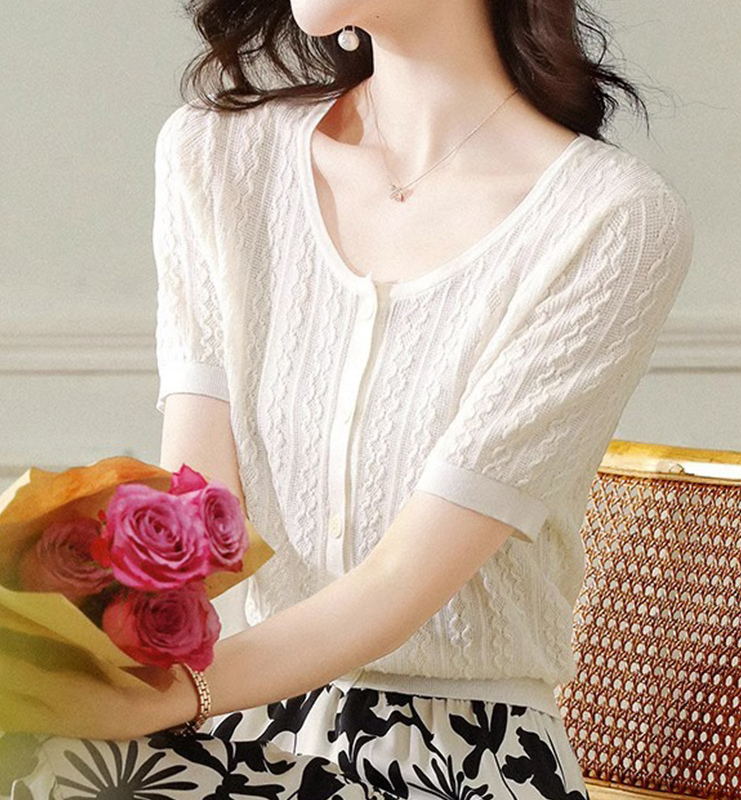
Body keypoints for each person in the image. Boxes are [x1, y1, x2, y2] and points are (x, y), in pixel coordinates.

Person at [1, 0, 695, 796]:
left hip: (461, 755)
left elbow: (401, 581)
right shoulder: (216, 157)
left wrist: (151, 703)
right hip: (235, 733)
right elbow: (200, 523)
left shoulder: (612, 220)